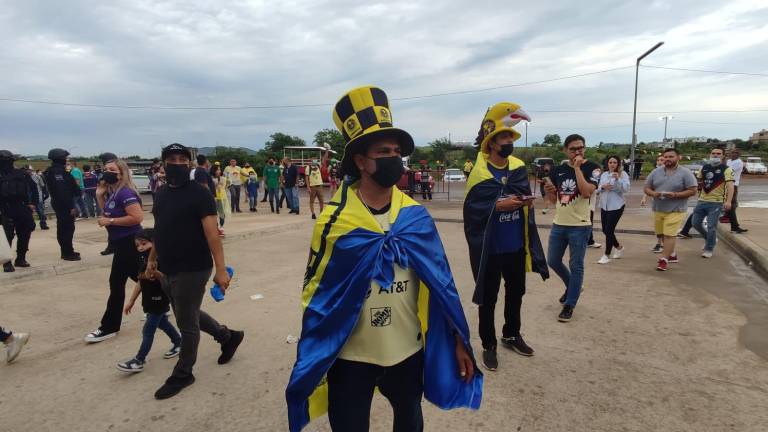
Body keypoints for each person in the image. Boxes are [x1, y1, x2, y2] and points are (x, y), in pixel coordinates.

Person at [286, 86, 481, 432]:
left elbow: (442, 284)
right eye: (383, 151)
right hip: (351, 357)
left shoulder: (416, 217)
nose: (394, 158)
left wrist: (457, 340)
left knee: (410, 422)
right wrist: (314, 349)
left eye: (397, 152)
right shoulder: (335, 221)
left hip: (406, 351)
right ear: (360, 161)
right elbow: (316, 293)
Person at [148, 143, 244, 400]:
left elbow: (213, 235)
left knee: (185, 322)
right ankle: (227, 336)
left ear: (189, 163)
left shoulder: (200, 194)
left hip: (194, 266)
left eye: (182, 159)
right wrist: (151, 260)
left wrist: (221, 270)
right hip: (167, 267)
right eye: (171, 159)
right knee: (185, 310)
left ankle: (183, 373)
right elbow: (159, 230)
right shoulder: (161, 195)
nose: (177, 163)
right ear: (164, 163)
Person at [463, 102, 548, 371]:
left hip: (514, 245)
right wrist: (497, 206)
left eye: (511, 136)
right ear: (491, 142)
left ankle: (511, 334)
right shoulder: (478, 174)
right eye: (504, 137)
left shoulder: (519, 167)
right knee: (488, 298)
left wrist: (526, 202)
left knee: (516, 293)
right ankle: (488, 344)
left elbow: (522, 195)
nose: (509, 141)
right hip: (490, 248)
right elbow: (472, 210)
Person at [84, 159, 144, 343]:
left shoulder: (125, 193)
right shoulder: (113, 193)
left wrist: (110, 222)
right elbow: (108, 213)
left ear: (121, 173)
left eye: (112, 170)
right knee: (142, 277)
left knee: (116, 283)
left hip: (129, 242)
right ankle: (165, 300)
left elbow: (136, 217)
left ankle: (109, 326)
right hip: (120, 243)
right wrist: (99, 196)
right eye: (105, 169)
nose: (106, 172)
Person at [544, 134, 601, 322]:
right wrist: (549, 191)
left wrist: (577, 169)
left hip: (580, 226)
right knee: (552, 260)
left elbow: (586, 193)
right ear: (565, 150)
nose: (578, 151)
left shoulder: (593, 168)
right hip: (559, 223)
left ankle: (570, 304)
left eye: (581, 148)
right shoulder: (558, 170)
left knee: (576, 265)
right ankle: (574, 287)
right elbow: (554, 201)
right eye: (573, 149)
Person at [117, 228, 182, 372]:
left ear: (154, 243)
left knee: (148, 330)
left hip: (160, 300)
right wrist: (131, 301)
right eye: (138, 245)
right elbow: (140, 281)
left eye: (144, 244)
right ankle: (179, 342)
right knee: (163, 323)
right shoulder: (142, 260)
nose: (140, 248)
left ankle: (139, 360)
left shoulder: (160, 260)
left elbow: (168, 280)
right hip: (149, 301)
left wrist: (155, 273)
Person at [643, 148, 697, 271]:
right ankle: (672, 255)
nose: (668, 159)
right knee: (661, 234)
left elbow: (693, 190)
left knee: (669, 235)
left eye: (671, 156)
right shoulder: (656, 172)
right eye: (666, 157)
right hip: (659, 207)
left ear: (679, 157)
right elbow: (646, 188)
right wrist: (653, 193)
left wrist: (675, 195)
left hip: (676, 209)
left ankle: (664, 260)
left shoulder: (685, 173)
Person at [691, 147, 734, 258]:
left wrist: (728, 201)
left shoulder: (727, 169)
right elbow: (699, 182)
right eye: (713, 153)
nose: (715, 155)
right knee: (695, 223)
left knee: (711, 226)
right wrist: (697, 192)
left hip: (716, 202)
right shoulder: (704, 167)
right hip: (702, 201)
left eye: (718, 153)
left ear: (723, 156)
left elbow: (730, 186)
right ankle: (710, 239)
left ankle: (709, 248)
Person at [0, 150, 39, 272]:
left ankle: (21, 258)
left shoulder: (21, 174)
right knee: (7, 236)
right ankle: (7, 262)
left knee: (25, 233)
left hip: (22, 207)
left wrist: (33, 203)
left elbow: (34, 188)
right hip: (5, 208)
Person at [43, 149, 81, 261]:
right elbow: (62, 192)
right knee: (67, 228)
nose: (66, 160)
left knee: (63, 228)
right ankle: (67, 253)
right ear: (61, 159)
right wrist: (71, 207)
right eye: (65, 158)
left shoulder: (52, 171)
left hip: (59, 203)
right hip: (64, 204)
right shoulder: (58, 173)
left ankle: (68, 250)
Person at [596, 156, 630, 264]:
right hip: (604, 205)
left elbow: (625, 189)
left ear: (618, 164)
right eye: (610, 162)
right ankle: (619, 247)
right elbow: (597, 189)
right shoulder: (604, 174)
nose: (612, 164)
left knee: (609, 230)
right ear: (607, 163)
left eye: (615, 162)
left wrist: (618, 179)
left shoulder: (623, 174)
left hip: (616, 206)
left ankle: (606, 255)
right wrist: (603, 187)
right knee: (605, 230)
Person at [642, 155, 667, 251]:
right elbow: (648, 187)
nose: (659, 162)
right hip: (657, 203)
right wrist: (644, 198)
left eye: (662, 160)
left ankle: (666, 246)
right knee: (658, 224)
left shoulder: (672, 173)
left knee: (666, 225)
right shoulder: (654, 173)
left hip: (670, 204)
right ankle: (659, 243)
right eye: (658, 160)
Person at [726, 149, 747, 233]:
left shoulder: (739, 162)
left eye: (736, 153)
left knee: (732, 205)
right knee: (731, 205)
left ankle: (734, 226)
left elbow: (728, 171)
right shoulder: (728, 161)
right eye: (733, 152)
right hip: (725, 184)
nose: (734, 154)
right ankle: (734, 226)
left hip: (733, 185)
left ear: (739, 155)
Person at [211, 164, 230, 234]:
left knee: (222, 213)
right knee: (214, 214)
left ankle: (221, 227)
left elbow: (226, 186)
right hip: (214, 198)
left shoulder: (223, 178)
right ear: (214, 170)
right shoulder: (210, 179)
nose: (219, 171)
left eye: (219, 169)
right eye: (217, 169)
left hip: (222, 197)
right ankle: (216, 228)